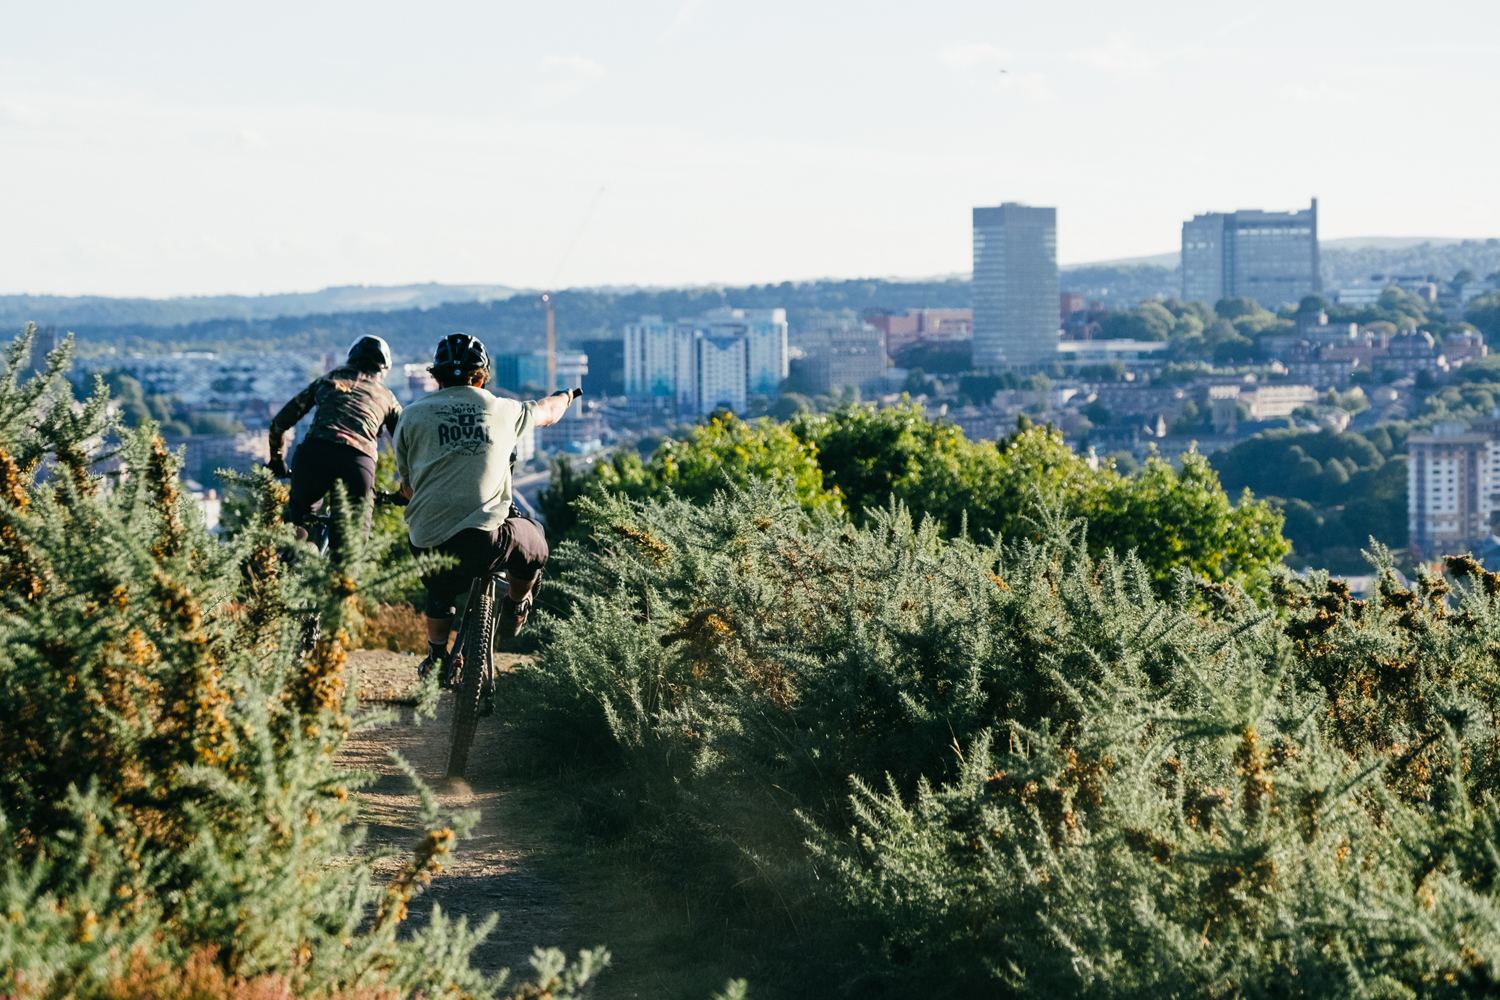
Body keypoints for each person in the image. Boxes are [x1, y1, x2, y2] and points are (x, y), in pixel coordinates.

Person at [393, 332, 580, 681]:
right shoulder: (503, 409)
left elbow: (408, 488)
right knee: (534, 537)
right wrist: (566, 396)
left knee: (439, 585)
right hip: (486, 541)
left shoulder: (411, 416)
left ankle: (436, 654)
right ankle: (516, 603)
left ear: (437, 378)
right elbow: (549, 411)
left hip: (428, 545)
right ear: (481, 377)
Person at [267, 335, 401, 553]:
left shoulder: (327, 381)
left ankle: (289, 556)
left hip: (315, 454)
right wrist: (407, 487)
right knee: (350, 548)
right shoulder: (387, 397)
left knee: (298, 518)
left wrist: (276, 460)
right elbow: (407, 441)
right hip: (357, 462)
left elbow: (279, 423)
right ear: (383, 370)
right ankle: (342, 579)